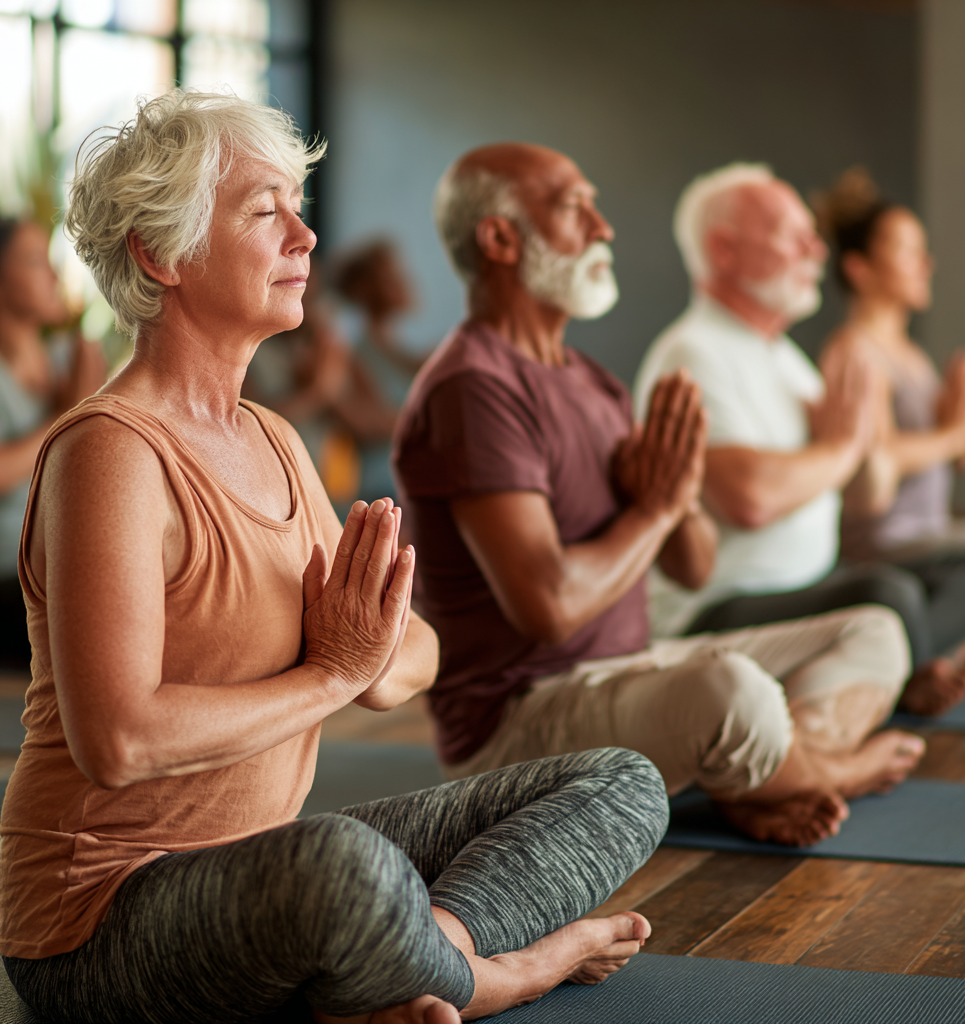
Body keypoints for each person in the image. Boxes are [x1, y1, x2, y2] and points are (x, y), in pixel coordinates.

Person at [0, 92, 669, 1024]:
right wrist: (336, 671)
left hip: (264, 871)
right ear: (163, 253)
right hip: (101, 925)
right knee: (346, 868)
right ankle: (496, 974)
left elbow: (408, 663)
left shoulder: (271, 438)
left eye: (297, 207)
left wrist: (371, 649)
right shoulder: (111, 451)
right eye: (265, 211)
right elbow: (121, 741)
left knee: (619, 782)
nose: (306, 237)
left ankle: (425, 955)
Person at [394, 142, 924, 852]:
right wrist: (655, 510)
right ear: (499, 238)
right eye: (574, 208)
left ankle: (760, 776)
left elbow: (692, 566)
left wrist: (674, 504)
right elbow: (548, 606)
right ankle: (823, 771)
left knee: (875, 632)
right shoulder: (473, 388)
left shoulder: (596, 382)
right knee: (731, 692)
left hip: (630, 674)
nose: (603, 228)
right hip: (517, 722)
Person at [634, 163, 965, 716]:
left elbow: (869, 494)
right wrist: (841, 451)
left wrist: (917, 441)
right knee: (887, 596)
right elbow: (750, 498)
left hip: (815, 581)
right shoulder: (693, 353)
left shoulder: (787, 360)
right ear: (724, 250)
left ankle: (900, 675)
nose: (816, 249)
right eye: (793, 236)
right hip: (717, 609)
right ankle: (906, 679)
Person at [816, 167, 965, 667]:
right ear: (859, 267)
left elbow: (942, 458)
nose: (925, 263)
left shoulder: (910, 354)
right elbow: (877, 460)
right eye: (907, 250)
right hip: (885, 547)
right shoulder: (855, 353)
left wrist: (960, 435)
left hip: (929, 534)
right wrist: (955, 435)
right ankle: (948, 654)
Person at [0, 218, 106, 671]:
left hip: (68, 568)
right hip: (9, 580)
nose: (52, 275)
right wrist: (67, 415)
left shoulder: (76, 357)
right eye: (33, 260)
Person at [244, 255, 396, 511]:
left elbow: (373, 417)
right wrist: (318, 391)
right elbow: (247, 422)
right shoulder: (252, 350)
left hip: (331, 485)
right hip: (275, 489)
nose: (310, 306)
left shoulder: (326, 346)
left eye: (314, 295)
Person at [333, 239, 432, 503]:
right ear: (364, 289)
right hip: (383, 493)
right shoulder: (351, 352)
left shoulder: (405, 352)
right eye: (391, 276)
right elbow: (365, 424)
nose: (404, 282)